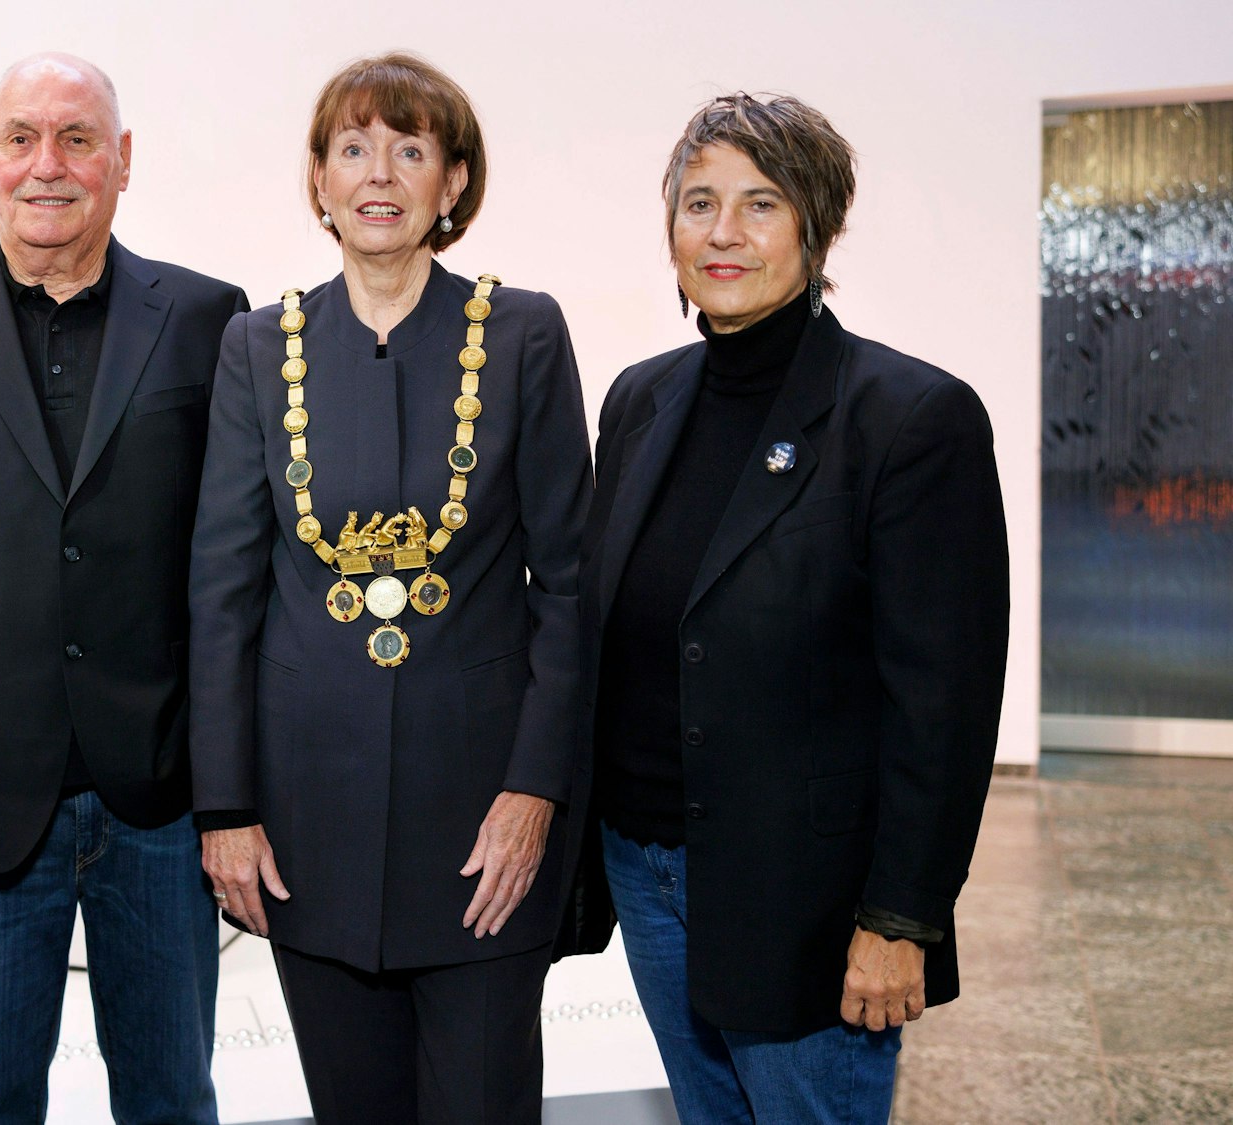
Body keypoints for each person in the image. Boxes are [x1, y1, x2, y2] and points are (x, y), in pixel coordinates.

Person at [580, 93, 1011, 1122]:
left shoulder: (909, 420)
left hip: (804, 901)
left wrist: (899, 919)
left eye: (758, 204)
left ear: (815, 229)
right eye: (696, 203)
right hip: (646, 871)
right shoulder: (638, 402)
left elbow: (940, 708)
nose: (720, 232)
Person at [188, 52, 594, 1123]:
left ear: (451, 183)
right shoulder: (254, 346)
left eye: (410, 150)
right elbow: (221, 592)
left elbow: (566, 587)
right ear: (318, 179)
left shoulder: (521, 335)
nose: (379, 174)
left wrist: (533, 794)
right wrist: (225, 806)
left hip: (482, 834)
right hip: (304, 827)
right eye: (353, 148)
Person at [0, 52, 248, 1124]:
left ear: (122, 163)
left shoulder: (212, 319)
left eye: (77, 140)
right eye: (20, 137)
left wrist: (234, 792)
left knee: (173, 1097)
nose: (46, 165)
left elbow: (231, 573)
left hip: (159, 800)